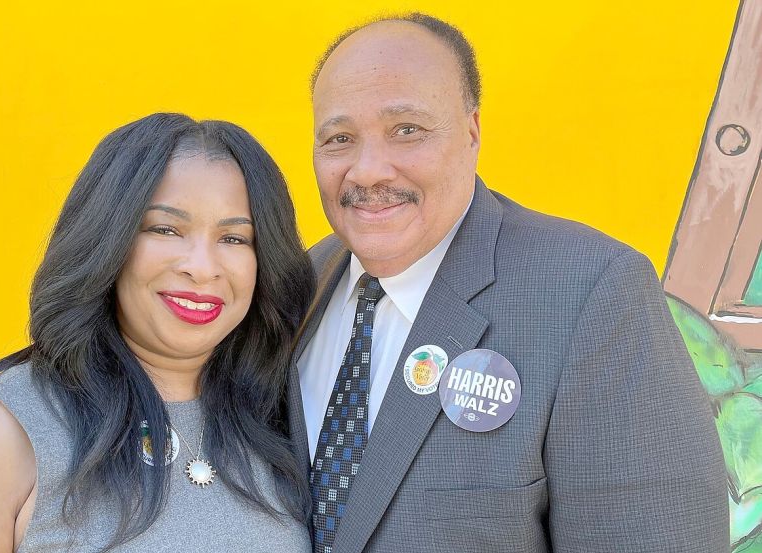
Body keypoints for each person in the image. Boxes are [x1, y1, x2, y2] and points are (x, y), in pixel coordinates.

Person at [291, 13, 729, 553]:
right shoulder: (294, 289)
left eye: (407, 130)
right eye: (339, 138)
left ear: (472, 132)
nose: (368, 170)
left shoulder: (592, 293)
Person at [0, 113, 315, 552]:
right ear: (107, 241)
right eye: (165, 229)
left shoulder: (286, 418)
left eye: (235, 239)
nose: (202, 268)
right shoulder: (0, 436)